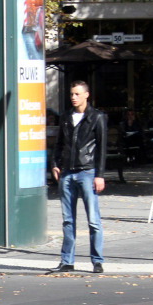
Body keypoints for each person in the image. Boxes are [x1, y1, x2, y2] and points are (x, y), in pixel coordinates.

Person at [50, 81, 107, 273]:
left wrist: (99, 175)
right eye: (71, 94)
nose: (73, 97)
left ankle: (97, 260)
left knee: (93, 219)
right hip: (67, 172)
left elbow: (101, 149)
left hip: (87, 171)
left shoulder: (97, 117)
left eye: (77, 94)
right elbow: (59, 143)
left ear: (86, 95)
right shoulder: (66, 117)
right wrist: (55, 164)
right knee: (68, 220)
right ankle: (67, 261)